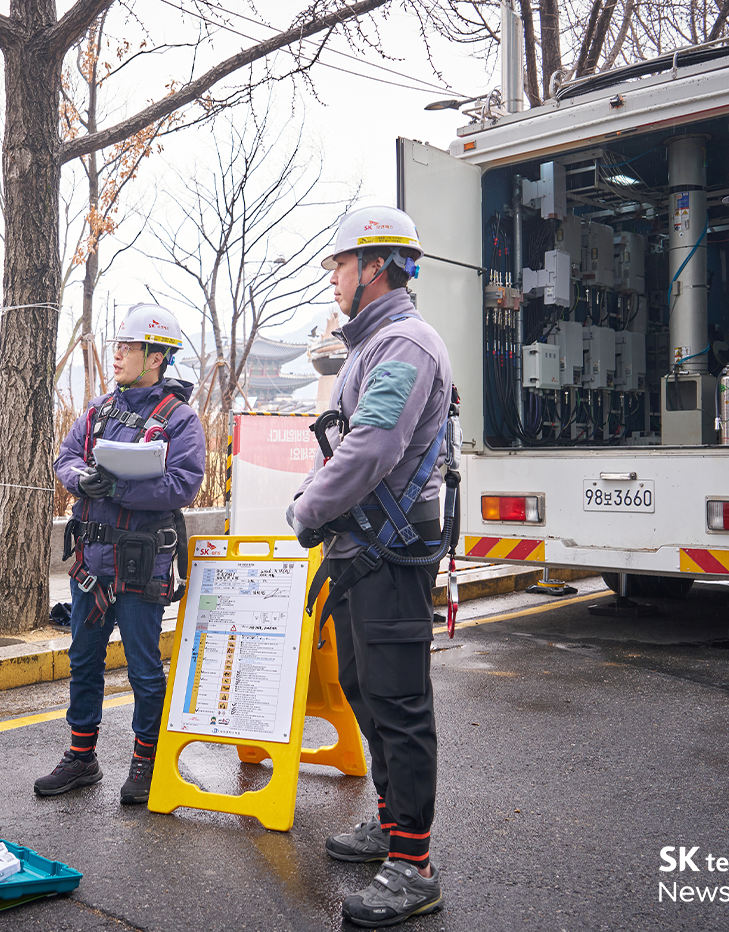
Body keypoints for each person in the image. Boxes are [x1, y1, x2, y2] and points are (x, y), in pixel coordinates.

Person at [289, 206, 453, 927]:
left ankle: (413, 866)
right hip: (362, 553)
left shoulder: (405, 346)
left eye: (339, 264)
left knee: (400, 702)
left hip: (388, 556)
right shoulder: (372, 344)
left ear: (375, 267)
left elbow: (372, 448)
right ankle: (391, 824)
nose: (332, 276)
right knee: (363, 686)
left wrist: (306, 510)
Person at [38, 304, 205, 805]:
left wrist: (117, 490)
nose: (117, 355)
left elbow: (183, 484)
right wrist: (79, 478)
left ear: (155, 357)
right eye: (118, 346)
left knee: (143, 669)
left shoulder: (179, 419)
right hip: (90, 564)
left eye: (127, 347)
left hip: (141, 564)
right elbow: (64, 456)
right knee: (83, 661)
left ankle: (145, 762)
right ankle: (81, 757)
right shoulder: (96, 410)